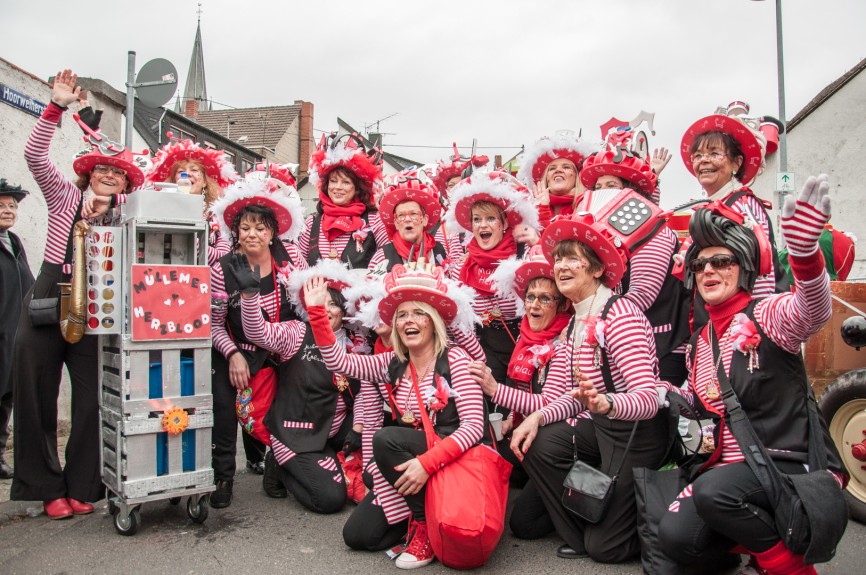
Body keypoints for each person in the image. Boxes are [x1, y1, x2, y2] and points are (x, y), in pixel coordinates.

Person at [657, 176, 847, 575]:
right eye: (701, 263)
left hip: (787, 464)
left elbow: (813, 310)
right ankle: (757, 547)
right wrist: (662, 393)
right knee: (675, 537)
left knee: (713, 494)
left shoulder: (767, 314)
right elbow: (699, 397)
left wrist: (806, 256)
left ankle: (790, 565)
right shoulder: (702, 340)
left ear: (743, 268)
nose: (709, 270)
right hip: (733, 472)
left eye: (721, 261)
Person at [13, 69, 146, 519]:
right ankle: (47, 487)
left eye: (118, 174)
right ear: (90, 176)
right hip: (52, 291)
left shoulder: (127, 219)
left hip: (97, 306)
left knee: (92, 398)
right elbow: (34, 156)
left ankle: (83, 483)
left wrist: (109, 212)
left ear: (126, 186)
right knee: (35, 392)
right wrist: (56, 106)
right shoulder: (64, 198)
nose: (109, 176)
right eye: (102, 170)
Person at [509, 198, 670, 563]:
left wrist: (606, 403)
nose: (561, 266)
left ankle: (630, 530)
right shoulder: (574, 325)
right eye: (559, 259)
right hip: (602, 428)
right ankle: (583, 531)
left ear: (596, 269)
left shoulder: (620, 315)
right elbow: (575, 396)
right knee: (538, 443)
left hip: (639, 437)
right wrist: (537, 416)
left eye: (572, 259)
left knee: (607, 550)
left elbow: (649, 398)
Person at [304, 259, 487, 569]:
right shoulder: (391, 362)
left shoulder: (455, 359)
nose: (408, 320)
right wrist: (317, 313)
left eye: (418, 313)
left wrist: (425, 465)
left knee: (386, 439)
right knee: (358, 536)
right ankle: (424, 510)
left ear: (434, 321)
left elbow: (473, 428)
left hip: (451, 462)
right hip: (413, 467)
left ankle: (426, 528)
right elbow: (340, 362)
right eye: (402, 315)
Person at [226, 257, 368, 513]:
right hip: (296, 433)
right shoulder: (296, 333)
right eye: (319, 302)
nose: (326, 309)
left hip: (333, 429)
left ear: (343, 309)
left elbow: (364, 394)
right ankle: (280, 467)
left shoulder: (356, 342)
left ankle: (323, 459)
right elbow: (258, 333)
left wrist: (358, 428)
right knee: (329, 500)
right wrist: (249, 297)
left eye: (333, 304)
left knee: (376, 431)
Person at [580, 131, 693, 440]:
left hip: (661, 343)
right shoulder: (606, 234)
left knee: (645, 427)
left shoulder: (654, 233)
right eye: (598, 187)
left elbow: (637, 298)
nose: (604, 193)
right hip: (622, 338)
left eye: (612, 187)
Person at [208, 177, 307, 508]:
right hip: (233, 349)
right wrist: (233, 353)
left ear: (273, 232)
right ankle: (223, 476)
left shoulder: (289, 260)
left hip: (280, 351)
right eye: (245, 227)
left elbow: (306, 307)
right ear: (236, 230)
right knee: (224, 409)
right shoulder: (222, 268)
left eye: (260, 228)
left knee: (287, 409)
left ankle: (277, 468)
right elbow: (214, 323)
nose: (252, 234)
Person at [472, 244, 573, 539]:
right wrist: (511, 419)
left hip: (556, 443)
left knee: (523, 525)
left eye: (545, 299)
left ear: (562, 304)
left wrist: (494, 389)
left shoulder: (565, 339)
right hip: (528, 434)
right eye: (530, 297)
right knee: (489, 457)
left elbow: (547, 403)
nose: (534, 306)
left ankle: (578, 505)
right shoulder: (527, 334)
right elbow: (524, 388)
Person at [681, 103, 790, 329]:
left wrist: (755, 327)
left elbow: (763, 273)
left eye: (714, 153)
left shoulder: (745, 205)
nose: (703, 161)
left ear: (736, 163)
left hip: (742, 326)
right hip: (715, 322)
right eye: (698, 155)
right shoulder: (711, 206)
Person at [444, 169, 539, 409]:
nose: (482, 225)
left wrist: (538, 244)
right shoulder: (461, 268)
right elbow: (458, 323)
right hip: (486, 347)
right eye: (477, 219)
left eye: (490, 219)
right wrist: (480, 358)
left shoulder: (524, 256)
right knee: (494, 410)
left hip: (527, 342)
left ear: (505, 222)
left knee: (523, 409)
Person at [297, 132, 389, 268]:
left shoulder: (374, 221)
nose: (338, 188)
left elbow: (388, 255)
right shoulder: (311, 223)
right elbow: (299, 267)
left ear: (357, 188)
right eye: (333, 181)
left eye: (346, 182)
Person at [147, 132, 237, 266]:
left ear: (205, 182)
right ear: (173, 180)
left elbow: (223, 256)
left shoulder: (217, 216)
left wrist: (187, 238)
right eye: (180, 171)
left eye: (194, 170)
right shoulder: (159, 208)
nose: (187, 174)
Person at [0, 179, 35, 479]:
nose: (8, 211)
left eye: (12, 206)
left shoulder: (14, 243)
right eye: (1, 206)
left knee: (6, 395)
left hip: (13, 332)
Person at [367, 171, 448, 273]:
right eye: (401, 215)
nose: (407, 219)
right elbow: (370, 287)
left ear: (425, 220)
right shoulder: (382, 257)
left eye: (413, 214)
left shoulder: (439, 250)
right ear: (396, 223)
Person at [517, 130, 598, 230]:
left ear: (577, 177)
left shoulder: (589, 205)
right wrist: (542, 208)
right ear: (546, 178)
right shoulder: (530, 209)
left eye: (566, 167)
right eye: (552, 168)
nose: (558, 170)